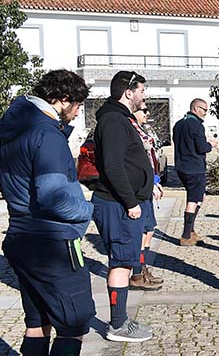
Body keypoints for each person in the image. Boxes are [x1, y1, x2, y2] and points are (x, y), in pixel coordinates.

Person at [0, 70, 96, 355]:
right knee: (73, 325)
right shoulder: (45, 135)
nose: (78, 113)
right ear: (64, 100)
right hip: (53, 243)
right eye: (77, 105)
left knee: (38, 321)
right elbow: (54, 198)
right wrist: (89, 209)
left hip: (20, 235)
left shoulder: (15, 126)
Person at [92, 71, 154, 341]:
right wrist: (130, 201)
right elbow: (113, 166)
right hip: (117, 204)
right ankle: (117, 325)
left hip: (125, 202)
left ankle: (121, 320)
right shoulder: (115, 120)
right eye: (141, 90)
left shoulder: (120, 118)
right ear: (128, 92)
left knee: (125, 262)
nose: (144, 95)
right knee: (120, 263)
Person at [128, 107, 164, 291]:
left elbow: (151, 160)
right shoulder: (131, 131)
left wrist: (155, 181)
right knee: (142, 231)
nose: (147, 113)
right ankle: (136, 272)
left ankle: (142, 268)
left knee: (149, 230)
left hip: (148, 185)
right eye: (143, 110)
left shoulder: (144, 131)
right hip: (140, 189)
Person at [172, 98, 217, 246]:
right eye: (204, 110)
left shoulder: (178, 125)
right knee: (193, 200)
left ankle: (190, 230)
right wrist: (210, 145)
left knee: (199, 196)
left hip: (181, 167)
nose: (205, 113)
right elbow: (201, 148)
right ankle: (186, 235)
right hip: (195, 168)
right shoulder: (196, 125)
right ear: (196, 108)